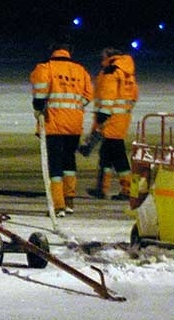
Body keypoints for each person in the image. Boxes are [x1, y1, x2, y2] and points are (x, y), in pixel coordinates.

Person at [30, 41, 94, 216]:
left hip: (54, 123)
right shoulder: (80, 70)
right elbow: (88, 95)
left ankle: (58, 205)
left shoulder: (46, 68)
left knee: (55, 164)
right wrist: (74, 107)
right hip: (74, 123)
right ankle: (70, 200)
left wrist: (39, 109)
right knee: (69, 161)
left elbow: (40, 95)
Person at [83, 47, 139, 199]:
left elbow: (108, 95)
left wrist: (103, 116)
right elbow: (133, 96)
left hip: (111, 119)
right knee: (106, 154)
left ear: (109, 56)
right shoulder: (128, 72)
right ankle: (101, 188)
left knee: (117, 155)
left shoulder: (111, 72)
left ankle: (128, 189)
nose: (101, 59)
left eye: (103, 56)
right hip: (122, 118)